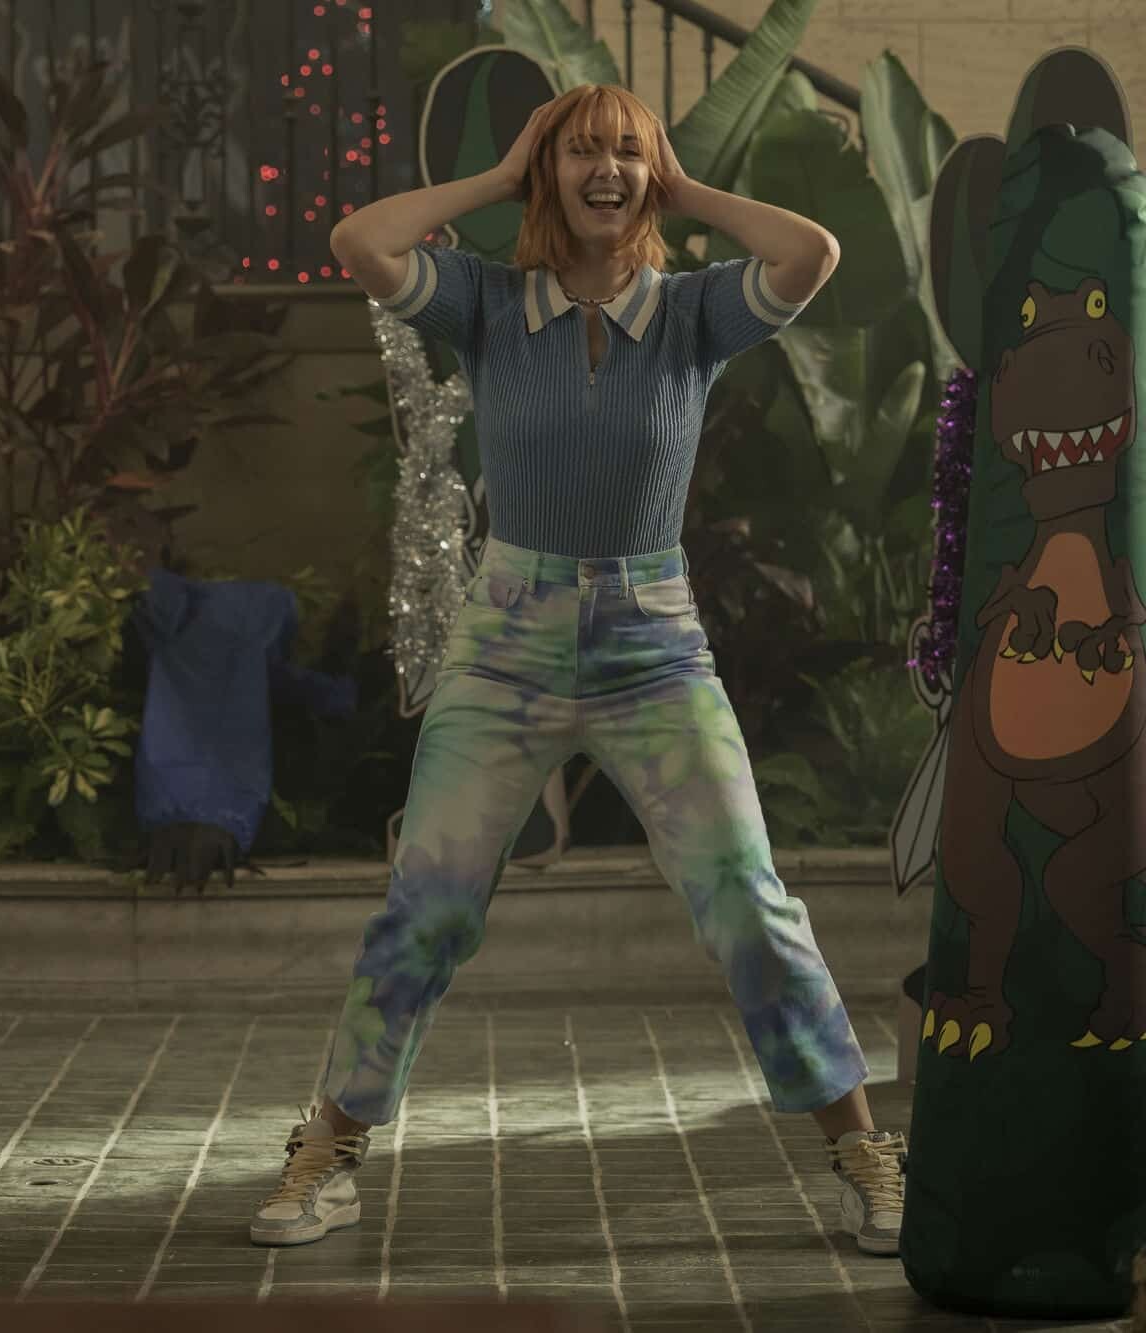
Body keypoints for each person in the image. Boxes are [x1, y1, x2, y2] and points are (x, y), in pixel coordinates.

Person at [249, 84, 906, 1258]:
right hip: (505, 641)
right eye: (580, 152)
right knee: (425, 908)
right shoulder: (486, 303)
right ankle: (327, 1151)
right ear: (543, 170)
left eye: (625, 153)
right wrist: (497, 179)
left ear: (651, 172)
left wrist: (684, 188)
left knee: (746, 901)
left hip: (654, 645)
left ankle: (862, 1150)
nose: (604, 169)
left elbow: (811, 251)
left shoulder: (694, 312)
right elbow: (358, 240)